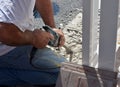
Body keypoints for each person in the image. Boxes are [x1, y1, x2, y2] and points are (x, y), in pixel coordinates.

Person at [0, 0, 66, 87]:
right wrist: (32, 38)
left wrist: (52, 28)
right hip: (6, 45)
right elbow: (3, 31)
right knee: (64, 75)